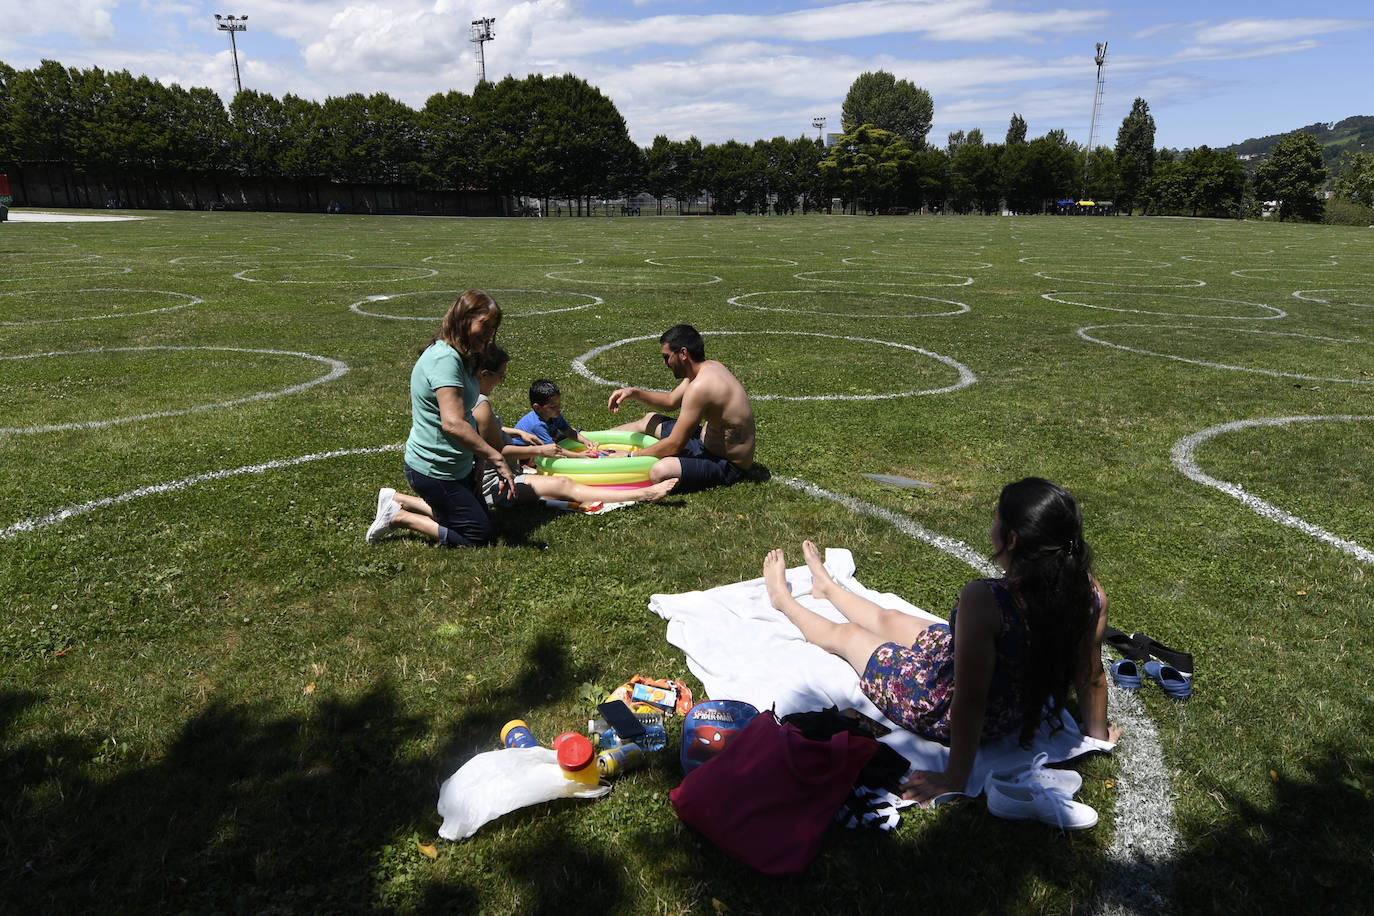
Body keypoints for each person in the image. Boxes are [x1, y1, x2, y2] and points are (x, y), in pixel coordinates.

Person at [760, 478, 1121, 806]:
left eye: (996, 517)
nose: (991, 522)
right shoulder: (1088, 594)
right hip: (1008, 704)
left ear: (1012, 540)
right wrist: (1097, 735)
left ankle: (784, 600)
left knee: (848, 636)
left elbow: (969, 698)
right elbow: (1090, 675)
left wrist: (954, 777)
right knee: (893, 619)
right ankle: (828, 589)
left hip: (943, 704)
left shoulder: (986, 600)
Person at [366, 290, 514, 547]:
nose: (489, 334)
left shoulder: (465, 355)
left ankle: (398, 500)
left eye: (493, 328)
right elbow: (453, 423)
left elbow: (468, 414)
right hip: (434, 471)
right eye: (485, 326)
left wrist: (478, 462)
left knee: (475, 520)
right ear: (464, 318)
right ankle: (399, 516)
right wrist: (495, 457)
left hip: (457, 467)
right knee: (479, 536)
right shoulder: (444, 359)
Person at [472, 345, 676, 508]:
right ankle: (644, 494)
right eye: (501, 376)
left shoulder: (468, 398)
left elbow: (482, 432)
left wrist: (515, 431)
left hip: (505, 475)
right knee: (564, 485)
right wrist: (539, 449)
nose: (501, 381)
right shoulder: (480, 403)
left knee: (557, 487)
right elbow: (496, 449)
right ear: (484, 374)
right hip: (495, 485)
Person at [606, 324, 755, 493]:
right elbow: (670, 401)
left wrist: (628, 457)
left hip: (727, 464)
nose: (665, 363)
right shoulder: (707, 368)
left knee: (660, 471)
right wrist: (634, 393)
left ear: (683, 354)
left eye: (667, 357)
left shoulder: (700, 386)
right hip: (705, 443)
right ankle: (591, 442)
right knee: (650, 420)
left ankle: (609, 462)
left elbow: (675, 445)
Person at [514, 379, 596, 449]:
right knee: (536, 455)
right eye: (553, 407)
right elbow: (553, 449)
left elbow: (569, 432)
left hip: (550, 438)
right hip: (523, 450)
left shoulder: (554, 415)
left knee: (574, 432)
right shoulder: (537, 425)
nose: (559, 409)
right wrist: (578, 455)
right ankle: (527, 466)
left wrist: (586, 441)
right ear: (537, 407)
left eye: (559, 405)